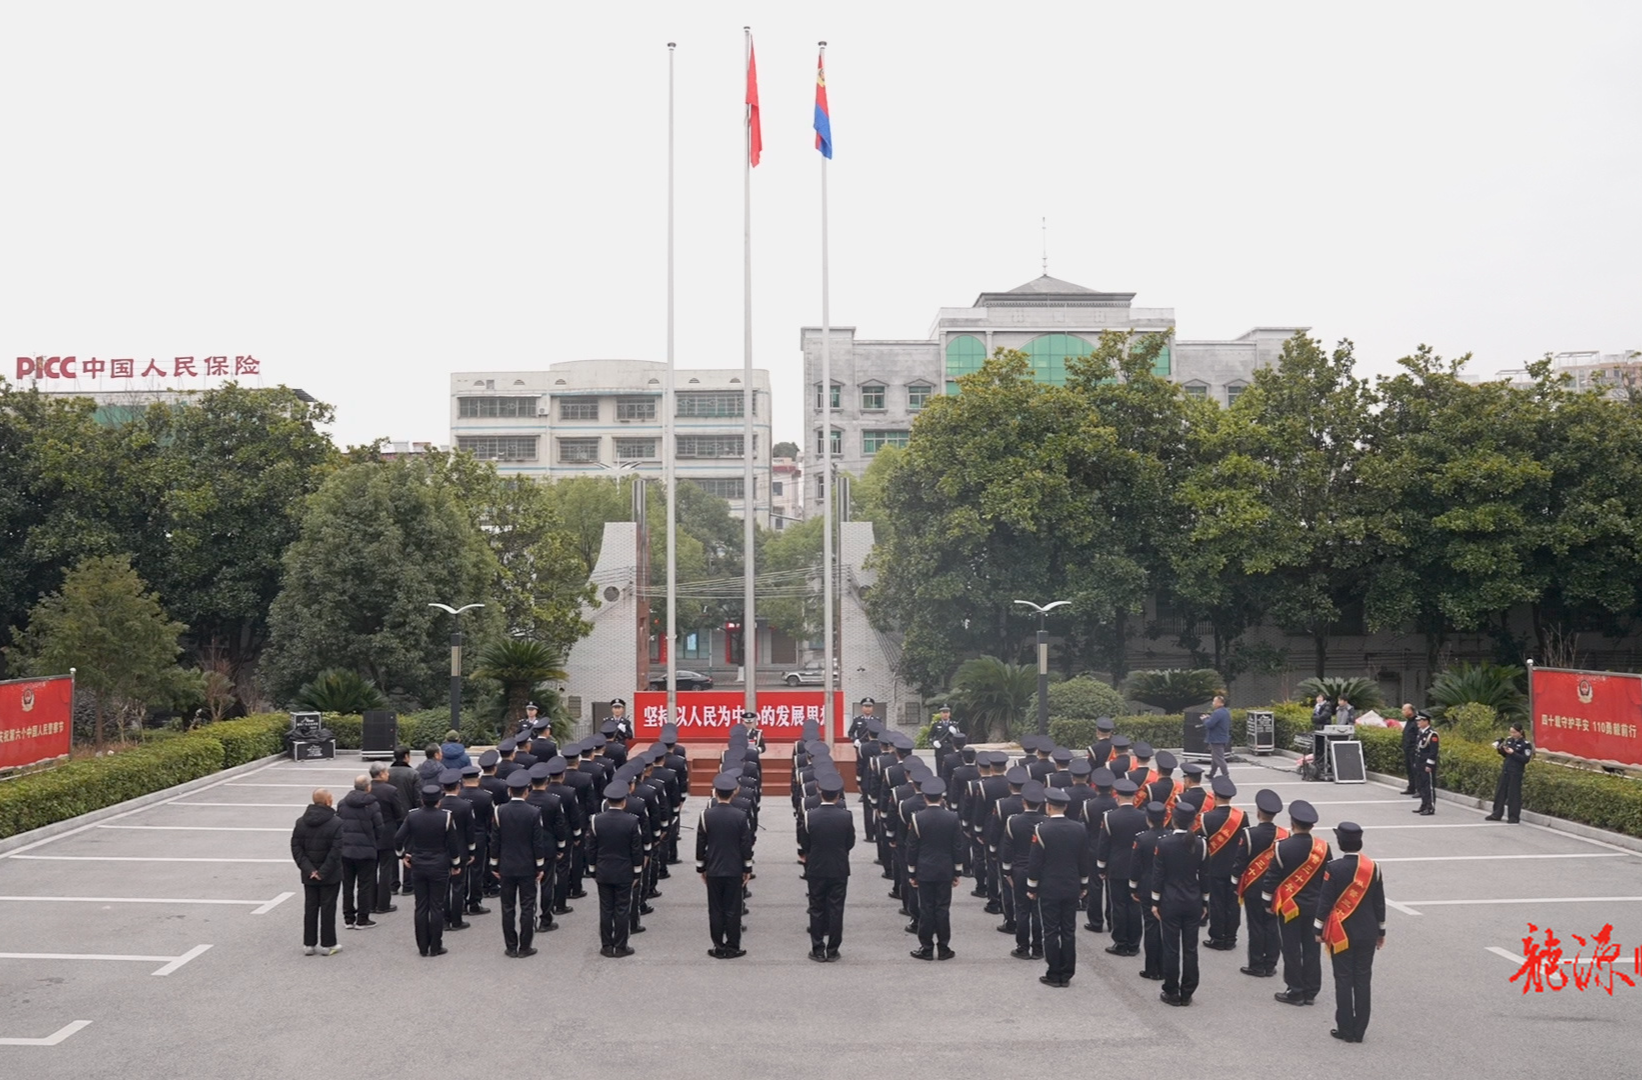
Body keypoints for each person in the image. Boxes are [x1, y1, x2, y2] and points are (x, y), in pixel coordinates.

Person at [1315, 821, 1386, 1043]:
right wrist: (1381, 931)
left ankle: (1345, 1028)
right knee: (1363, 979)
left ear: (1340, 842)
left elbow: (1325, 902)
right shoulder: (1373, 867)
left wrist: (1318, 928)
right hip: (1368, 931)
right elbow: (1379, 903)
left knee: (1343, 979)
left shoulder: (1333, 868)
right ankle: (1360, 1029)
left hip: (1341, 933)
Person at [1262, 799, 1331, 1006]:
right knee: (1311, 948)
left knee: (1291, 948)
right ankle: (1311, 991)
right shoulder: (1323, 848)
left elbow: (1271, 878)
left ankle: (1295, 990)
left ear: (1292, 823)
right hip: (1315, 905)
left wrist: (1267, 903)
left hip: (1289, 906)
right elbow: (1328, 878)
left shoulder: (1282, 848)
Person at [1027, 786, 1091, 988]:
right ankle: (1067, 972)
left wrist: (1032, 887)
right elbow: (1083, 859)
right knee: (1069, 931)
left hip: (1049, 886)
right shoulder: (1079, 828)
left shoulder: (1042, 829)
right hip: (1071, 884)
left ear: (1048, 806)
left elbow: (1035, 862)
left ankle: (1054, 972)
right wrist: (1084, 884)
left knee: (1051, 930)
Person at [1151, 802, 1209, 1006]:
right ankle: (1188, 991)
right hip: (1193, 899)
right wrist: (1204, 902)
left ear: (1173, 819)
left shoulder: (1164, 843)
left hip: (1170, 899)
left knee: (1171, 948)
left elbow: (1158, 875)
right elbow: (1205, 876)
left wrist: (1155, 901)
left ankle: (1171, 990)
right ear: (1194, 821)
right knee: (1190, 949)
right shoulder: (1201, 844)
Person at [394, 784, 461, 957]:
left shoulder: (412, 816)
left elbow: (398, 838)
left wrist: (402, 856)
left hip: (418, 863)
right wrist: (456, 864)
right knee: (436, 906)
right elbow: (453, 844)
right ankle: (436, 946)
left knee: (421, 906)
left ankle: (422, 946)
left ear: (422, 800)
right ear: (439, 801)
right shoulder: (446, 817)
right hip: (439, 863)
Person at [906, 777, 964, 961]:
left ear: (925, 797)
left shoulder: (917, 818)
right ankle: (944, 947)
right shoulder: (952, 817)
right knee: (942, 909)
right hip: (945, 869)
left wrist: (912, 873)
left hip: (924, 870)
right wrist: (957, 872)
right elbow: (958, 847)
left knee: (926, 909)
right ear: (941, 797)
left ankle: (926, 947)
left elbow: (912, 848)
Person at [699, 773, 755, 959]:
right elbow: (745, 845)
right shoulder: (740, 816)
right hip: (734, 868)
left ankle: (718, 946)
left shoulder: (706, 815)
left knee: (715, 909)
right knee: (733, 909)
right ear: (734, 792)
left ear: (715, 792)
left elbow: (701, 844)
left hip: (713, 868)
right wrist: (747, 868)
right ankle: (733, 946)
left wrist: (701, 868)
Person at [800, 772, 856, 962]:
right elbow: (850, 843)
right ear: (838, 795)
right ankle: (833, 950)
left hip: (816, 867)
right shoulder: (846, 816)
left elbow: (804, 843)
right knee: (836, 909)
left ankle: (817, 948)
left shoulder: (809, 816)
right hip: (839, 867)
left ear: (819, 792)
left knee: (816, 908)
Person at [491, 771, 547, 958]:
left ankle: (510, 946)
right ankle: (525, 946)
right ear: (527, 791)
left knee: (507, 907)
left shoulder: (499, 811)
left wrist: (494, 865)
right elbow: (537, 843)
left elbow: (495, 841)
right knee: (527, 906)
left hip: (506, 866)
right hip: (527, 866)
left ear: (509, 791)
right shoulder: (534, 812)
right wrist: (540, 866)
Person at [589, 780, 644, 957]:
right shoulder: (631, 821)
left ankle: (606, 945)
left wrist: (592, 869)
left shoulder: (596, 820)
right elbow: (636, 850)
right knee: (622, 909)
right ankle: (621, 946)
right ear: (624, 801)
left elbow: (591, 848)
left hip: (603, 870)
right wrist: (637, 872)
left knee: (605, 909)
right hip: (624, 871)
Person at [1236, 789, 1287, 979]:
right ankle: (1270, 963)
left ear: (1258, 812)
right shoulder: (1284, 835)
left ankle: (1256, 964)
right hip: (1275, 888)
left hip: (1253, 887)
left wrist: (1235, 883)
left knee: (1255, 925)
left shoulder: (1249, 834)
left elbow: (1240, 862)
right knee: (1272, 925)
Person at [291, 788, 345, 956]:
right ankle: (328, 944)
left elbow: (296, 847)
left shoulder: (301, 822)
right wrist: (323, 871)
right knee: (328, 907)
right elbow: (336, 851)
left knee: (311, 907)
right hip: (330, 874)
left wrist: (310, 870)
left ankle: (309, 943)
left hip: (309, 874)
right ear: (328, 801)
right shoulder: (336, 823)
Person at [1098, 778, 1147, 957]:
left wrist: (1101, 868)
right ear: (1134, 797)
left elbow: (1104, 845)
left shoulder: (1109, 817)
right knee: (1135, 905)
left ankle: (1120, 942)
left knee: (1118, 905)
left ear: (1117, 796)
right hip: (1138, 867)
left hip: (1116, 866)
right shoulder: (1143, 816)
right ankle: (1134, 943)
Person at [1000, 779, 1046, 959]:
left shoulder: (1013, 822)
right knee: (1037, 911)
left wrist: (1006, 873)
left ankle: (1022, 946)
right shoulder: (1046, 822)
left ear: (1023, 802)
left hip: (1019, 870)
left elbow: (1007, 850)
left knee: (1022, 910)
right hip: (1041, 871)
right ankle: (1038, 947)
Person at [1201, 776, 1248, 950]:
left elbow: (1203, 843)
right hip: (1236, 868)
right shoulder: (1241, 816)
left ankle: (1218, 937)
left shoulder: (1207, 818)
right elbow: (1245, 842)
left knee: (1217, 903)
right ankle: (1231, 936)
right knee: (1233, 903)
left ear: (1214, 795)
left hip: (1214, 867)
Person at [336, 775, 386, 930]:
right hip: (366, 851)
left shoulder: (342, 803)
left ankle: (348, 918)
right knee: (365, 885)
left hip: (345, 850)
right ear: (368, 787)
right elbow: (380, 828)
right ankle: (362, 919)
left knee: (348, 886)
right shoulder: (372, 805)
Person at [1128, 800, 1169, 981]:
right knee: (1166, 928)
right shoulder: (1171, 837)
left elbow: (1135, 867)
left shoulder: (1142, 839)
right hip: (1167, 887)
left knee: (1151, 927)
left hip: (1147, 887)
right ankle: (1165, 966)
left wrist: (1133, 887)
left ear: (1148, 819)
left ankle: (1152, 968)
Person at [368, 763, 405, 915]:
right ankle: (383, 903)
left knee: (370, 870)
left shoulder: (366, 788)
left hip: (370, 833)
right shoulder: (390, 790)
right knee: (385, 869)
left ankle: (370, 903)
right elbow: (399, 813)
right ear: (382, 774)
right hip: (387, 833)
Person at [1486, 723, 1534, 823]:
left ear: (1520, 732)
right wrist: (1501, 750)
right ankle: (1496, 814)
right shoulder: (1509, 740)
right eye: (1511, 732)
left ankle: (1513, 817)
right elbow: (1505, 755)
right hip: (1506, 769)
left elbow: (1525, 759)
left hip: (1516, 771)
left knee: (1514, 794)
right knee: (1500, 792)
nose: (1512, 734)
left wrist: (1513, 753)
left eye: (1514, 732)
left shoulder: (1525, 744)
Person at [1413, 713, 1439, 816]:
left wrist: (1429, 764)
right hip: (1420, 762)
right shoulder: (1421, 733)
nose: (1418, 722)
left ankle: (1430, 807)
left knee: (1429, 786)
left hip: (1427, 763)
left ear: (1426, 721)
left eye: (1420, 720)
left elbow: (1433, 752)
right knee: (1422, 785)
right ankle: (1424, 805)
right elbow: (1418, 749)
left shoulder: (1432, 734)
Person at [1203, 695, 1233, 779]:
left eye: (1214, 701)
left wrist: (1205, 719)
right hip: (1222, 737)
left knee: (1219, 758)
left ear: (1219, 703)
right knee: (1215, 758)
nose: (1213, 703)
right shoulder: (1225, 712)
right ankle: (1211, 774)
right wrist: (1210, 718)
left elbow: (1210, 724)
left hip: (1216, 739)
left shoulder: (1217, 712)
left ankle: (1225, 775)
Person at [1396, 703, 1421, 795]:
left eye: (1404, 710)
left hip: (1414, 750)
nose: (1402, 712)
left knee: (1416, 770)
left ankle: (1419, 789)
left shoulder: (1417, 721)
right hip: (1407, 750)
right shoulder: (1409, 721)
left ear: (1410, 711)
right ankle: (1411, 787)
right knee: (1409, 769)